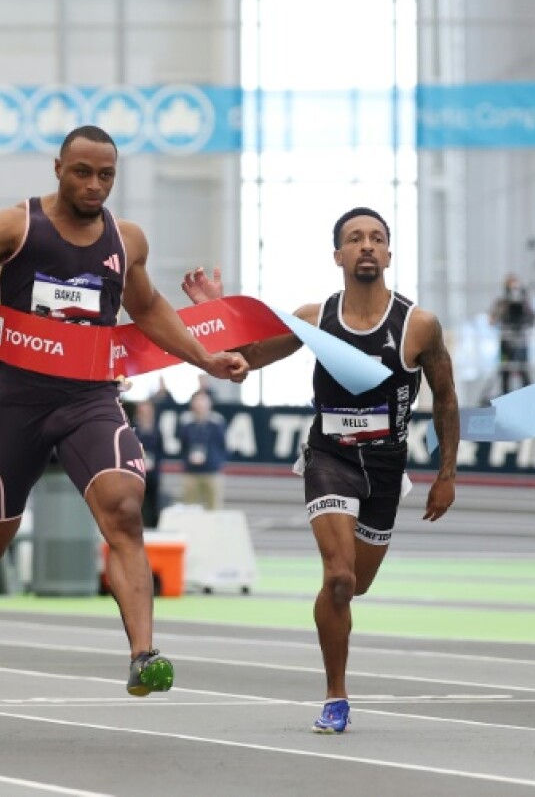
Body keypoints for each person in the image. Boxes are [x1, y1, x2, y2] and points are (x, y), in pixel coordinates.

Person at [0, 125, 249, 697]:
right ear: (57, 168)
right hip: (17, 403)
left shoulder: (127, 241)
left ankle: (143, 655)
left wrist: (205, 358)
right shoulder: (14, 226)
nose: (95, 185)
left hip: (89, 399)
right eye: (82, 172)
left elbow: (146, 308)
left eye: (106, 175)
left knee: (124, 507)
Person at [181, 206, 459, 733]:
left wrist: (447, 473)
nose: (367, 245)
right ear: (339, 255)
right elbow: (251, 356)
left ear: (390, 253)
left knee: (357, 586)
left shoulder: (418, 325)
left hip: (385, 463)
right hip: (329, 456)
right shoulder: (315, 318)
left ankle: (338, 638)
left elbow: (445, 398)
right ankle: (336, 694)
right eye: (355, 238)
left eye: (377, 237)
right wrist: (215, 313)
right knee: (337, 577)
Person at [177, 390, 227, 510]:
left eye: (203, 401)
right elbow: (183, 444)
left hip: (212, 472)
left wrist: (216, 462)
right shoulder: (186, 422)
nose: (200, 404)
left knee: (214, 508)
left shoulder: (217, 422)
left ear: (209, 404)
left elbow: (222, 445)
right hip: (191, 472)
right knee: (189, 508)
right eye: (197, 401)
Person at [489, 273, 535, 395]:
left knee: (524, 371)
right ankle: (505, 398)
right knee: (505, 372)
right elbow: (492, 320)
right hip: (506, 341)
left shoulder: (524, 302)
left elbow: (533, 318)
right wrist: (505, 306)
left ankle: (529, 397)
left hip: (521, 340)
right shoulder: (502, 302)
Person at [131, 399, 163, 528]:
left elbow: (161, 451)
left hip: (153, 473)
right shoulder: (134, 430)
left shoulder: (156, 431)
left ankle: (153, 526)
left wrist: (156, 466)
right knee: (138, 503)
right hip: (138, 473)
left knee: (154, 502)